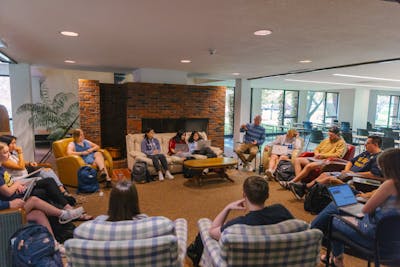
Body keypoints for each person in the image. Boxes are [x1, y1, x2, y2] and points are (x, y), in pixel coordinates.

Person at [311, 148, 400, 267]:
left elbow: (366, 210)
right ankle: (328, 250)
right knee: (342, 207)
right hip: (394, 243)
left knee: (334, 216)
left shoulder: (390, 184)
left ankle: (318, 240)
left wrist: (362, 200)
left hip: (374, 239)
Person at [186, 176, 294, 266]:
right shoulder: (281, 210)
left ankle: (194, 257)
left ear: (244, 194)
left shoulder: (237, 226)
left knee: (204, 228)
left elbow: (212, 231)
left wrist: (227, 208)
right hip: (276, 259)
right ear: (267, 196)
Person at [0, 141, 84, 225]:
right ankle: (65, 212)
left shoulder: (2, 168)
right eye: (5, 152)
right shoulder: (3, 167)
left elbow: (9, 182)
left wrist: (18, 184)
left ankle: (66, 211)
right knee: (42, 191)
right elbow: (7, 191)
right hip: (14, 197)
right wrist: (16, 185)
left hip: (18, 188)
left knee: (48, 179)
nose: (9, 154)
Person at [290, 135, 383, 199]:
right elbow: (350, 161)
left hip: (358, 177)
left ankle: (304, 188)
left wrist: (354, 173)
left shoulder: (379, 157)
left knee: (329, 178)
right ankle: (304, 189)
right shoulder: (366, 153)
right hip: (348, 174)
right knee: (324, 174)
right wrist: (346, 170)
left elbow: (373, 175)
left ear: (375, 145)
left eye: (367, 143)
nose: (364, 145)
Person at [0, 134, 75, 205]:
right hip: (20, 178)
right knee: (45, 178)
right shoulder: (4, 159)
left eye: (15, 143)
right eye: (13, 143)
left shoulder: (11, 155)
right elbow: (21, 166)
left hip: (25, 175)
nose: (15, 145)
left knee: (47, 171)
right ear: (6, 144)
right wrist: (20, 153)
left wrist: (29, 163)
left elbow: (19, 163)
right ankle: (63, 195)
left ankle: (62, 191)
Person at [280, 126, 347, 188]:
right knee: (297, 160)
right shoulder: (326, 140)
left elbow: (338, 155)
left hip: (327, 161)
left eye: (331, 135)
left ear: (337, 135)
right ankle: (298, 183)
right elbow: (317, 148)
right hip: (317, 158)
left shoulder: (342, 143)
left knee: (309, 166)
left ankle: (292, 182)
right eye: (329, 135)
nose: (329, 137)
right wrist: (317, 153)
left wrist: (323, 155)